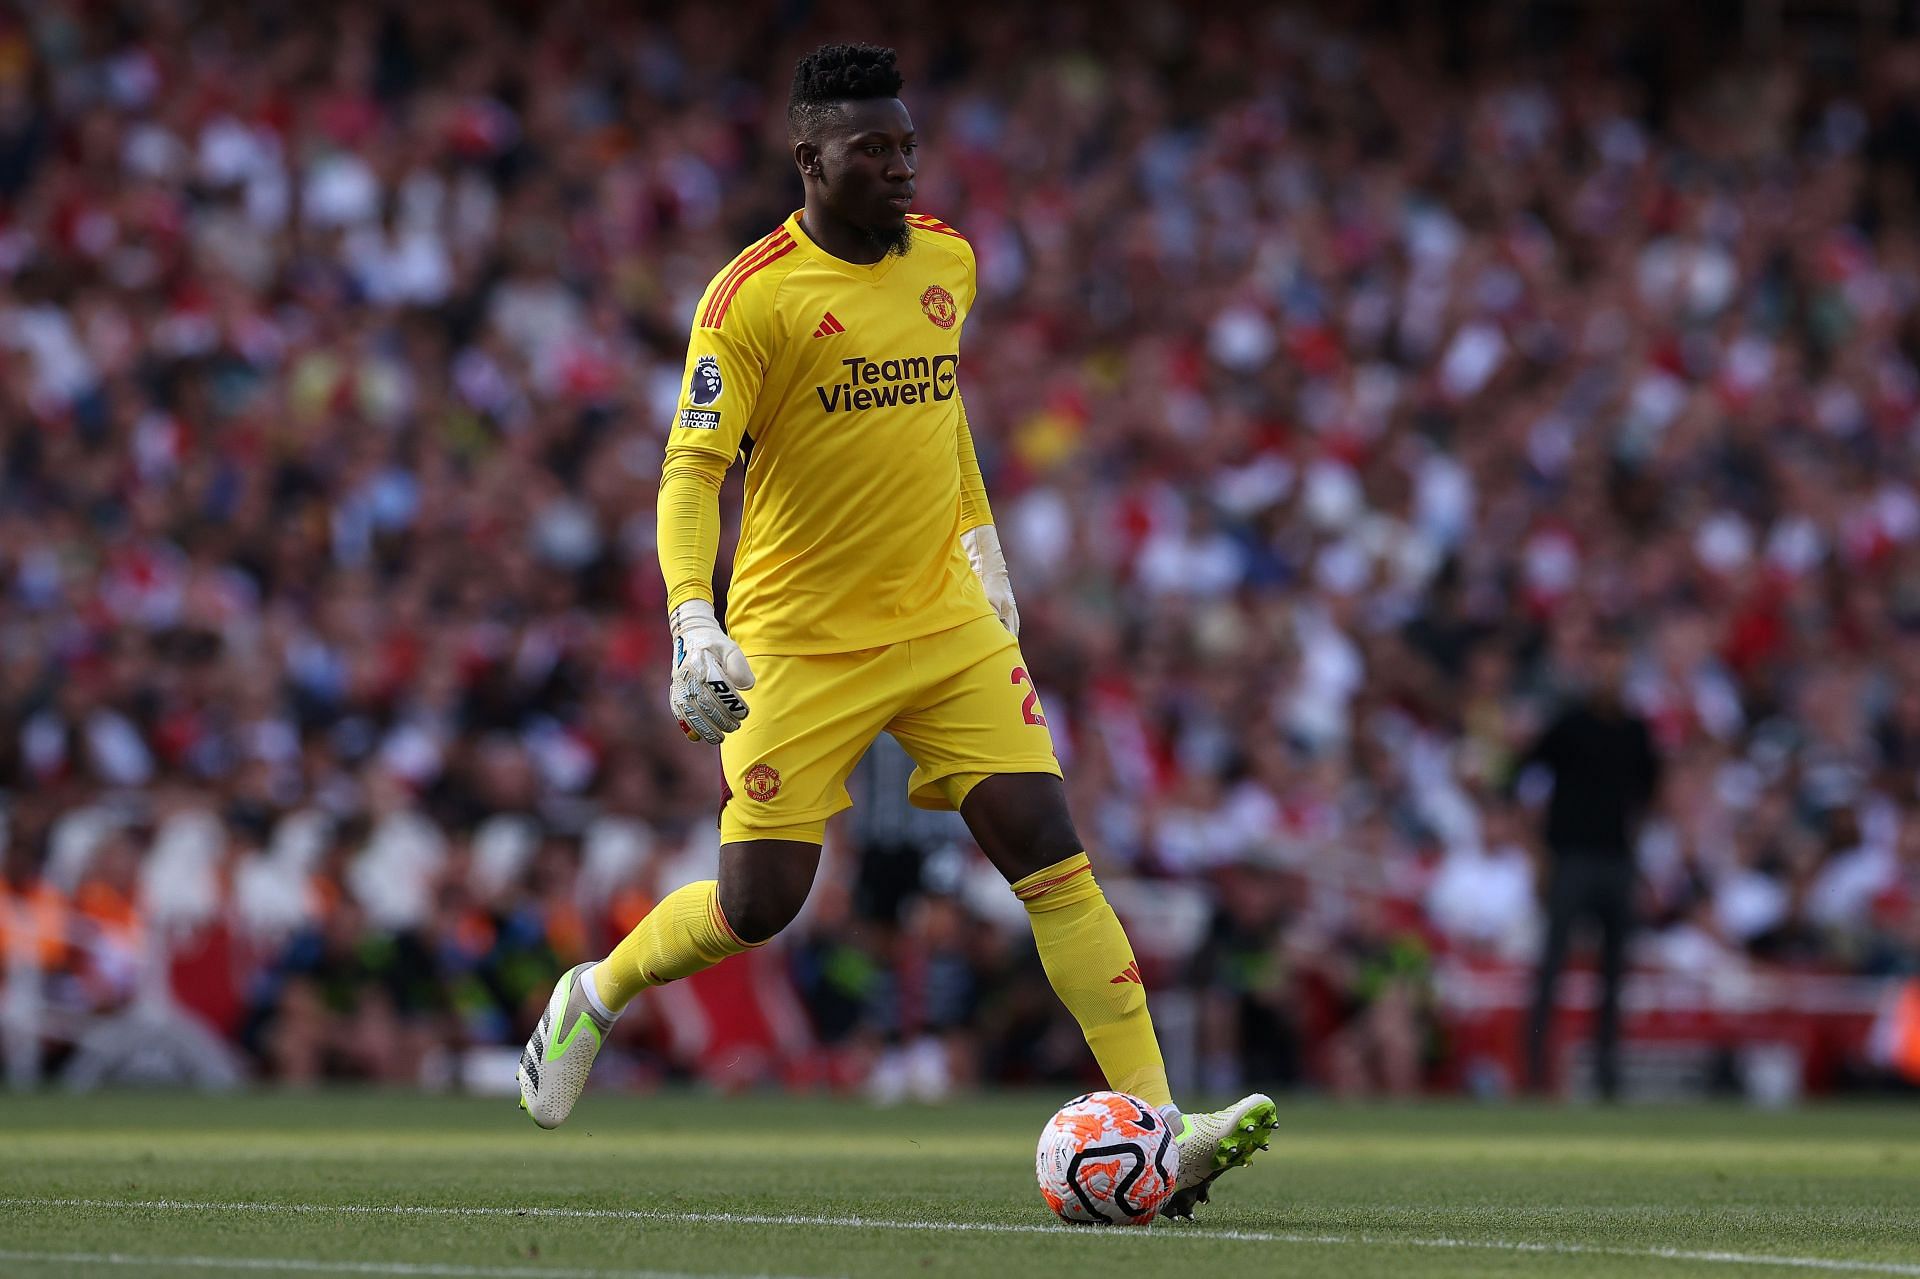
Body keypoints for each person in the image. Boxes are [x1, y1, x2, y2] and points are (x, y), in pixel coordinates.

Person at [514, 43, 1274, 1217]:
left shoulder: (948, 262)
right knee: (759, 903)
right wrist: (689, 619)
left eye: (908, 146)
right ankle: (595, 995)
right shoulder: (751, 298)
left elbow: (941, 406)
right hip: (802, 639)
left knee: (1050, 853)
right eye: (873, 149)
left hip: (946, 623)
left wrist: (984, 542)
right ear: (808, 156)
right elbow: (689, 472)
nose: (902, 168)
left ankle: (1164, 1135)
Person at [1519, 629, 1662, 1100]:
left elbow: (1647, 798)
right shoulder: (1569, 724)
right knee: (1552, 968)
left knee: (1615, 975)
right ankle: (1535, 1072)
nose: (1608, 671)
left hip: (1615, 861)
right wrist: (1539, 853)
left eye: (1616, 660)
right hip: (1571, 859)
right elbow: (1526, 778)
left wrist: (1637, 861)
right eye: (1602, 660)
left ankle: (1607, 1075)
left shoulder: (1636, 730)